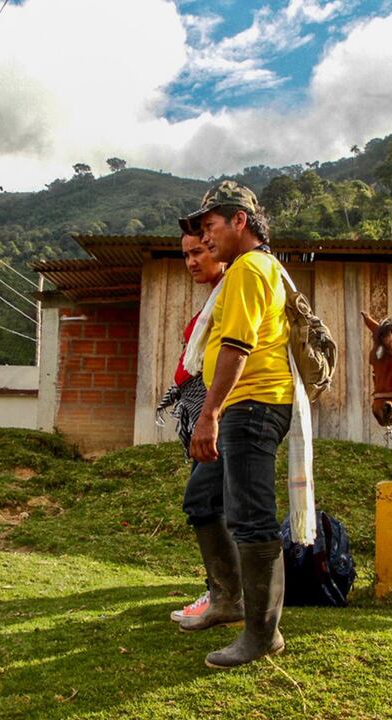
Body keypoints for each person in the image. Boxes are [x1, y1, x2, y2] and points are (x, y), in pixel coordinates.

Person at [178, 180, 293, 668]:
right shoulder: (248, 269)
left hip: (251, 405)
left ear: (239, 221)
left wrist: (210, 412)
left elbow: (237, 346)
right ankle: (227, 600)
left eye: (210, 227)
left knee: (251, 517)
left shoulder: (250, 268)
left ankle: (263, 634)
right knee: (203, 499)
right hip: (239, 406)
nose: (205, 240)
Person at [158, 231, 227, 626]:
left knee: (207, 501)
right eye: (186, 255)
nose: (191, 262)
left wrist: (210, 414)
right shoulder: (215, 298)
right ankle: (224, 593)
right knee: (215, 502)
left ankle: (227, 595)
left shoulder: (233, 293)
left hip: (222, 415)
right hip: (203, 414)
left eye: (198, 252)